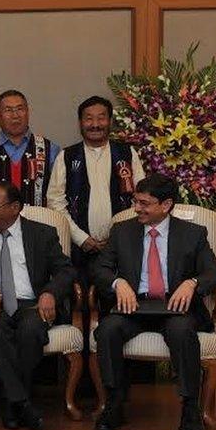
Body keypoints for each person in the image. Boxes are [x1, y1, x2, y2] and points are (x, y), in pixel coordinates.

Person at [92, 174, 216, 430]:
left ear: (166, 205)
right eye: (135, 201)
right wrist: (118, 283)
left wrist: (192, 282)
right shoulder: (122, 230)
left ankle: (190, 410)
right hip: (133, 306)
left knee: (181, 331)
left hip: (174, 307)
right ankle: (115, 402)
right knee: (108, 329)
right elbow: (100, 269)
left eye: (144, 203)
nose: (137, 208)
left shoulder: (192, 234)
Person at [0, 182, 75, 430]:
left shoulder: (42, 233)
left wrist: (50, 293)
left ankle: (12, 400)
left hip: (31, 304)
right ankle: (22, 402)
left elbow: (65, 270)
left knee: (31, 329)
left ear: (15, 207)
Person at [47, 96, 145, 289]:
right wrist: (81, 238)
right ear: (80, 123)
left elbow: (141, 198)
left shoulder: (127, 154)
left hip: (121, 248)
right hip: (80, 250)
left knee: (121, 303)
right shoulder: (67, 156)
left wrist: (118, 235)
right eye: (89, 119)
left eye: (101, 118)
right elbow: (55, 202)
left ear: (109, 121)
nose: (95, 124)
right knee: (81, 305)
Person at [0, 90, 61, 207]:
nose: (15, 115)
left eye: (20, 109)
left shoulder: (50, 150)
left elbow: (58, 196)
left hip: (39, 222)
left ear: (28, 112)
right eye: (8, 110)